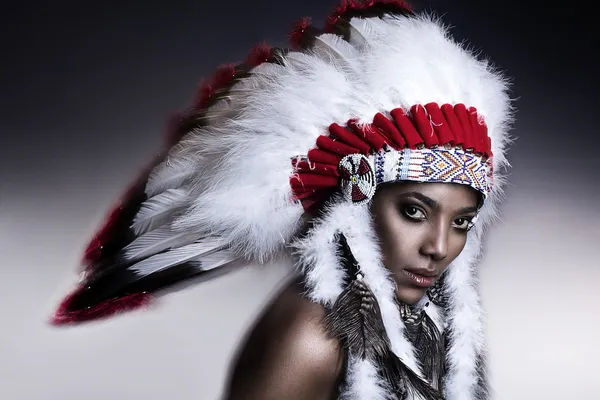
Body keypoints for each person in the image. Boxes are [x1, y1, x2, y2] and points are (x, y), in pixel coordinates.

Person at [50, 1, 514, 399]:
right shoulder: (310, 337)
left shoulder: (414, 320)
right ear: (358, 201)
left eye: (462, 223)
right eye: (414, 211)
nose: (437, 246)